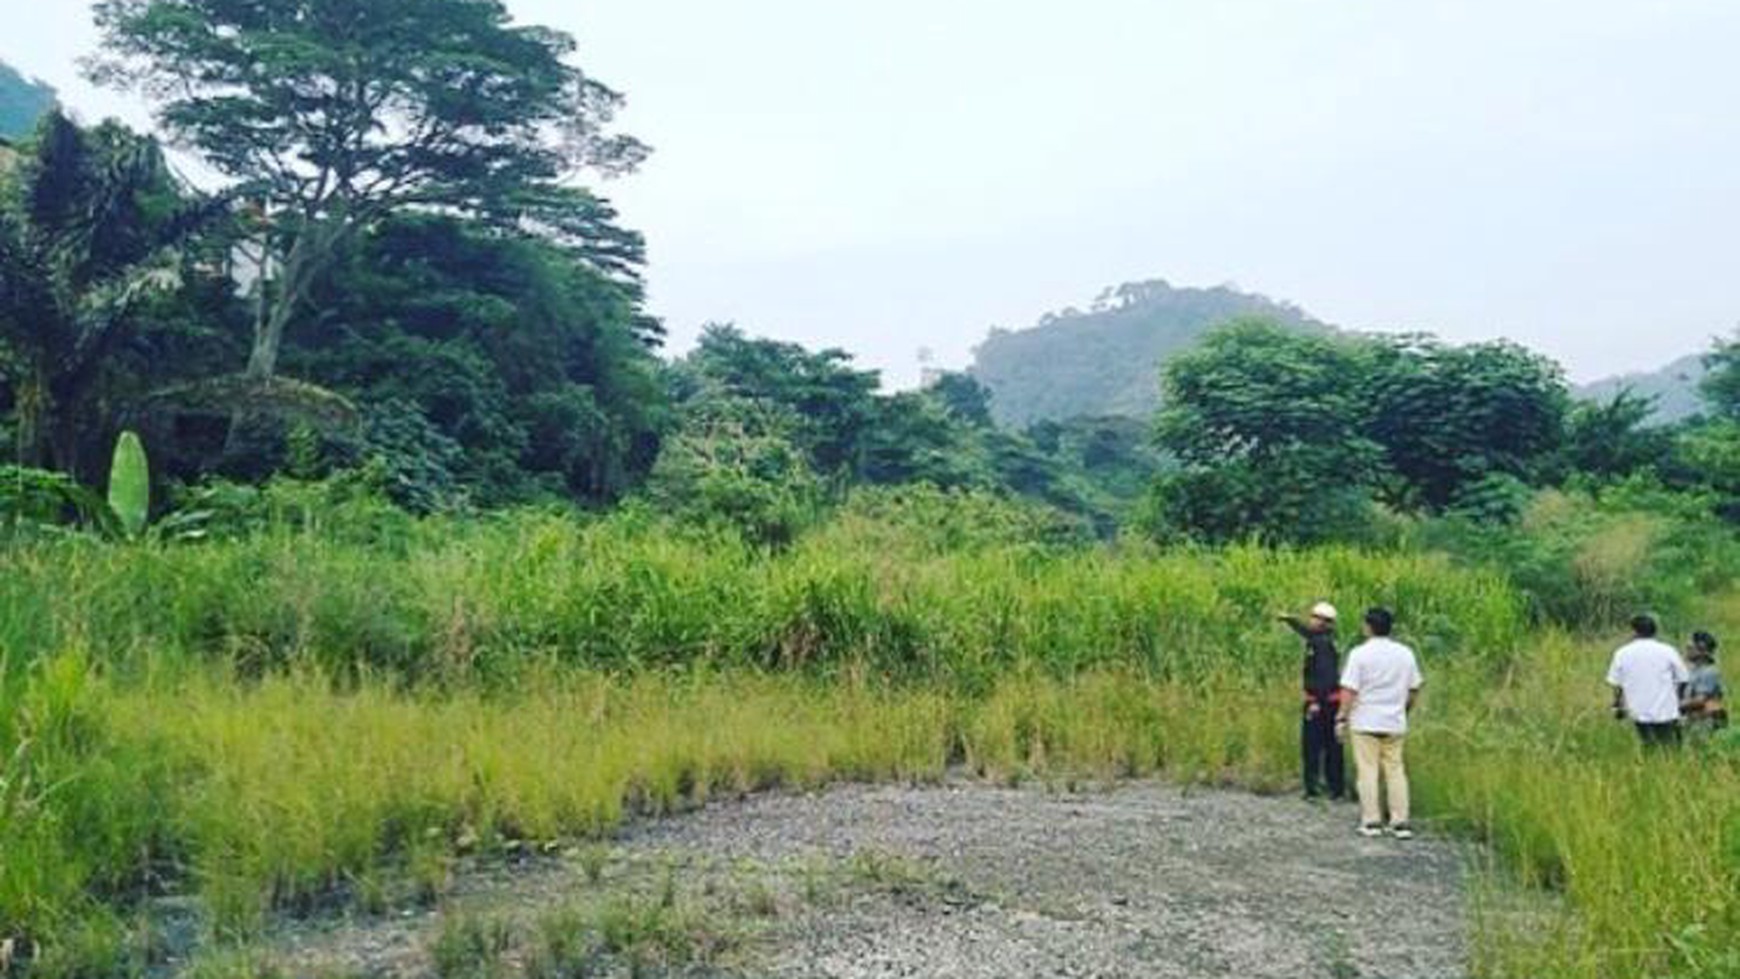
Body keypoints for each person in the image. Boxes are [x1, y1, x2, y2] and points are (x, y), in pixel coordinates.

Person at [1335, 607, 1423, 840]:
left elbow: (1350, 690)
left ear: (1368, 627)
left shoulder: (1359, 654)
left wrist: (1342, 716)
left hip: (1365, 721)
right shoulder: (1405, 654)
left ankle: (1371, 821)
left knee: (1368, 771)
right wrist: (1404, 709)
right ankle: (1400, 821)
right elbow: (1414, 688)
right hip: (1394, 721)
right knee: (1395, 771)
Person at [1279, 602, 1345, 801]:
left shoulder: (1321, 645)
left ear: (1325, 622)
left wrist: (1316, 701)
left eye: (1315, 617)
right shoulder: (1323, 639)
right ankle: (1335, 788)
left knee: (1313, 746)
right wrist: (1290, 620)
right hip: (1332, 702)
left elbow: (1325, 676)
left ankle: (1314, 789)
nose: (1311, 620)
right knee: (1332, 745)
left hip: (1320, 702)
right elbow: (1306, 632)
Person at [1606, 614, 1690, 747]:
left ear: (1634, 631)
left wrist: (1617, 706)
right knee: (1669, 746)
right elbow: (1683, 679)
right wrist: (1679, 701)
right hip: (1666, 710)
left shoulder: (1622, 653)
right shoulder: (1668, 650)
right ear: (1655, 631)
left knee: (1646, 744)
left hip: (1637, 711)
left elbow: (1617, 685)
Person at [1681, 631, 1727, 736]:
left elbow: (1700, 700)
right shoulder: (1694, 671)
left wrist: (1675, 706)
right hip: (1693, 721)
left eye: (1690, 648)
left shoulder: (1708, 672)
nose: (1686, 651)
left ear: (1701, 651)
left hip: (1704, 722)